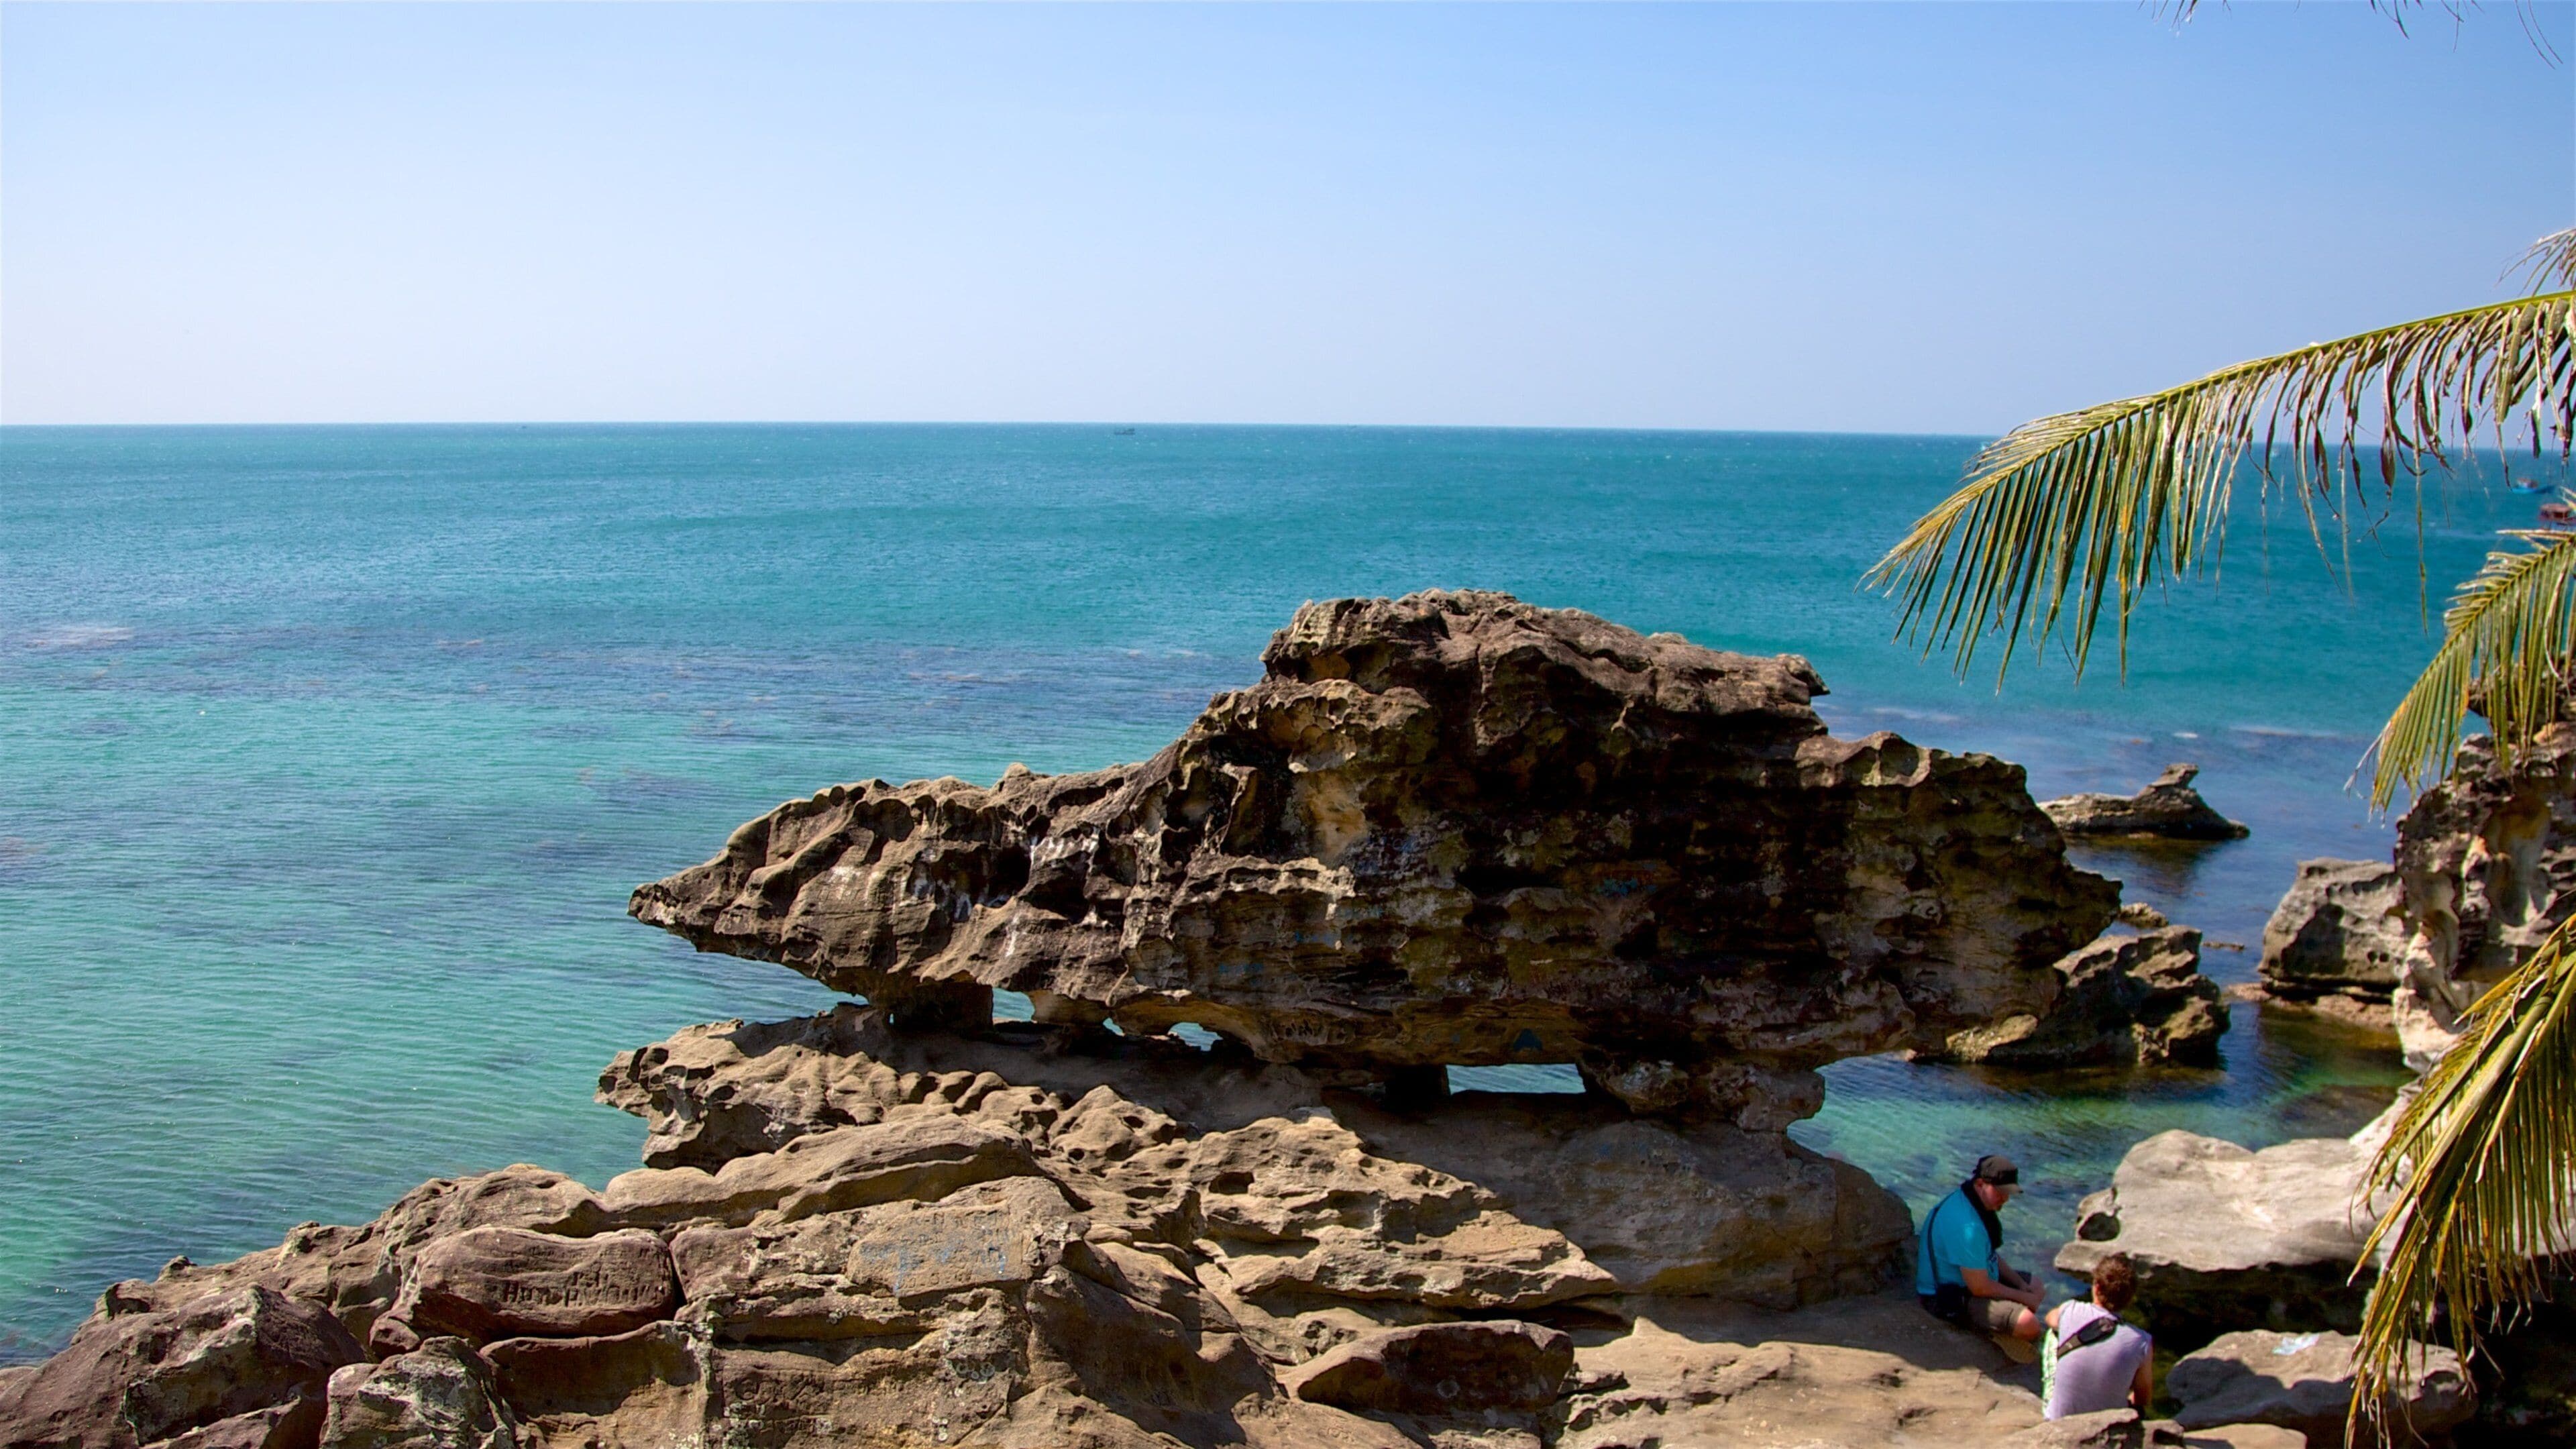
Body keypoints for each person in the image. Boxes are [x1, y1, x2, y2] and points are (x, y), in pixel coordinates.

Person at [1915, 1154, 2043, 1353]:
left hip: (1974, 1279)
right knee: (2029, 1324)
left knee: (2036, 1286)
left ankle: (2003, 1321)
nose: (2005, 1199)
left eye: (2009, 1193)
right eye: (2000, 1192)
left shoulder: (1974, 1202)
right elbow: (1980, 1288)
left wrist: (2020, 1284)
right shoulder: (1968, 1226)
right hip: (1946, 1297)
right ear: (1981, 1184)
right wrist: (2022, 1298)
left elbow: (1988, 1254)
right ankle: (1990, 1330)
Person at [2041, 1253, 2153, 1419]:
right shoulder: (2142, 1341)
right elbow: (2143, 1399)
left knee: (2054, 1333)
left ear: (2097, 1287)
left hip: (2059, 1421)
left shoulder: (2071, 1309)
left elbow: (2049, 1318)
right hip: (2109, 1425)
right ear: (2130, 1297)